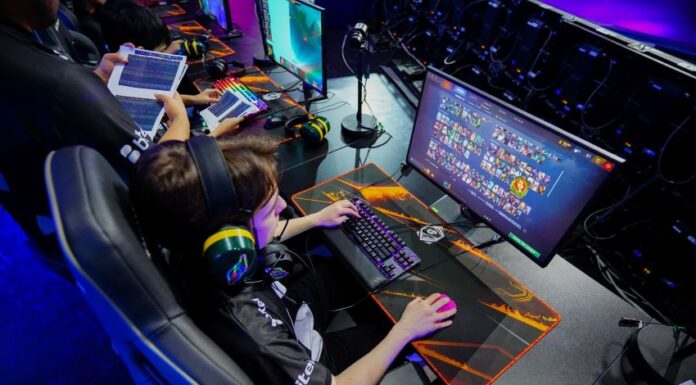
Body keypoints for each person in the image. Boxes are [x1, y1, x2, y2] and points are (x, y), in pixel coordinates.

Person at [130, 134, 457, 385]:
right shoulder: (255, 336)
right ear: (232, 237)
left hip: (286, 305)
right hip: (314, 355)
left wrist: (317, 219)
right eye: (270, 207)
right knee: (393, 323)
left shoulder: (199, 250)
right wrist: (403, 331)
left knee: (349, 267)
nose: (284, 206)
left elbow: (258, 233)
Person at [0, 0, 238, 251]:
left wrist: (96, 78)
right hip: (133, 235)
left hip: (59, 227)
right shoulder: (60, 84)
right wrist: (183, 122)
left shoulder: (16, 52)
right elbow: (159, 174)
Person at [98, 0, 220, 107]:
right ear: (137, 53)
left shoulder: (123, 77)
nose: (164, 56)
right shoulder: (117, 102)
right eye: (160, 53)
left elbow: (157, 99)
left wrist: (196, 99)